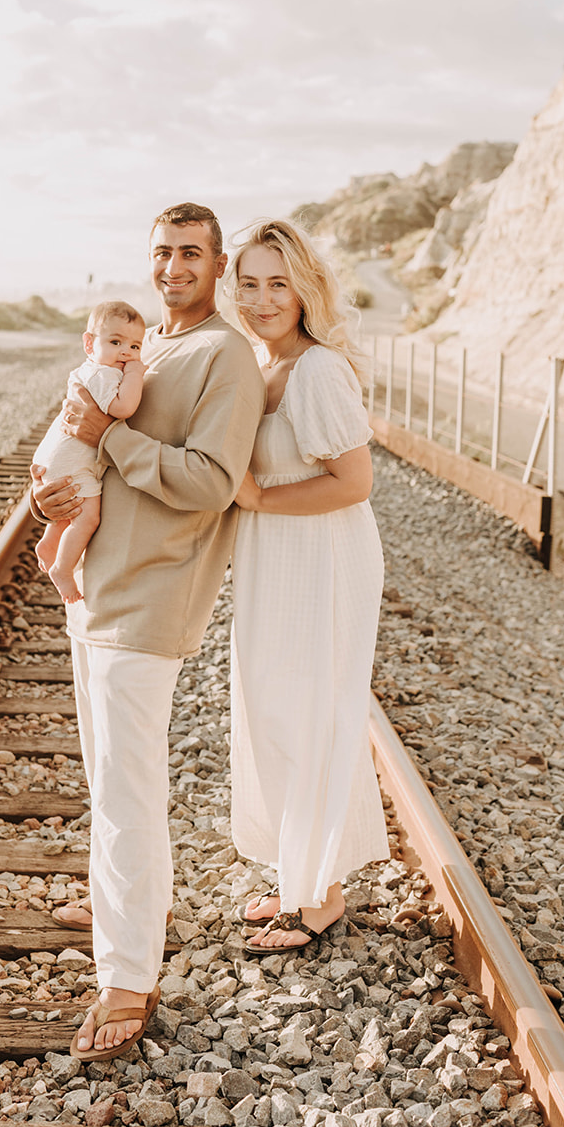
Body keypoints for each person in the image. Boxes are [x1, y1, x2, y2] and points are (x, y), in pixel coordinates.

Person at [30, 203, 264, 1058]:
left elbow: (209, 482)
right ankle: (115, 904)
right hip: (93, 589)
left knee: (130, 795)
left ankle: (128, 975)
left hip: (151, 597)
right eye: (163, 252)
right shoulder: (144, 345)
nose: (174, 267)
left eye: (191, 254)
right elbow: (81, 445)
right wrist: (47, 495)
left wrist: (113, 438)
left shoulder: (223, 355)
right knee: (105, 781)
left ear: (217, 262)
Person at [228, 217, 389, 953]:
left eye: (278, 284)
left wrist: (259, 499)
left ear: (303, 290)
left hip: (318, 559)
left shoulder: (317, 370)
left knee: (308, 716)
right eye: (250, 284)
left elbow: (352, 483)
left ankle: (319, 897)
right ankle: (301, 877)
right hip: (277, 555)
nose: (263, 300)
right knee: (276, 713)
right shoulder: (264, 365)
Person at [31, 301, 146, 603]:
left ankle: (49, 542)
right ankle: (63, 569)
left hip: (61, 455)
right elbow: (124, 407)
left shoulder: (96, 369)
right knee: (87, 519)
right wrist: (136, 374)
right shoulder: (103, 375)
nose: (126, 352)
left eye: (135, 346)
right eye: (115, 342)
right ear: (88, 343)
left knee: (73, 509)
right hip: (72, 459)